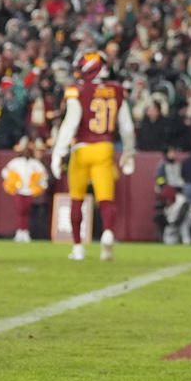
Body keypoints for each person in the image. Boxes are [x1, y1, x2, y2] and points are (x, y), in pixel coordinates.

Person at [50, 50, 137, 261]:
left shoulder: (77, 90)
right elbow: (126, 127)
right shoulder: (116, 90)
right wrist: (129, 152)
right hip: (105, 148)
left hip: (81, 149)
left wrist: (58, 152)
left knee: (76, 198)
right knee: (106, 199)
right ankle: (107, 233)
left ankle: (78, 247)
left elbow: (71, 122)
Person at [1, 137, 49, 243]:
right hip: (19, 190)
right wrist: (12, 182)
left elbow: (44, 175)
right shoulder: (16, 162)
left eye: (28, 150)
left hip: (29, 191)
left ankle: (25, 232)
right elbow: (5, 172)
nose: (26, 152)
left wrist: (38, 185)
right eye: (25, 150)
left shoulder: (34, 163)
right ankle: (20, 232)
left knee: (26, 212)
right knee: (20, 211)